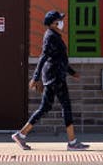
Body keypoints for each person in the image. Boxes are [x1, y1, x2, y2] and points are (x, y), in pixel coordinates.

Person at [12, 9, 88, 150]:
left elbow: (59, 58)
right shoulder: (51, 36)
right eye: (59, 20)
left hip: (54, 75)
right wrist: (35, 77)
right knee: (66, 107)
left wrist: (71, 72)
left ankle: (21, 135)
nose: (61, 22)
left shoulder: (54, 35)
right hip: (55, 77)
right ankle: (72, 143)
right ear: (52, 23)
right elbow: (44, 56)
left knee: (45, 107)